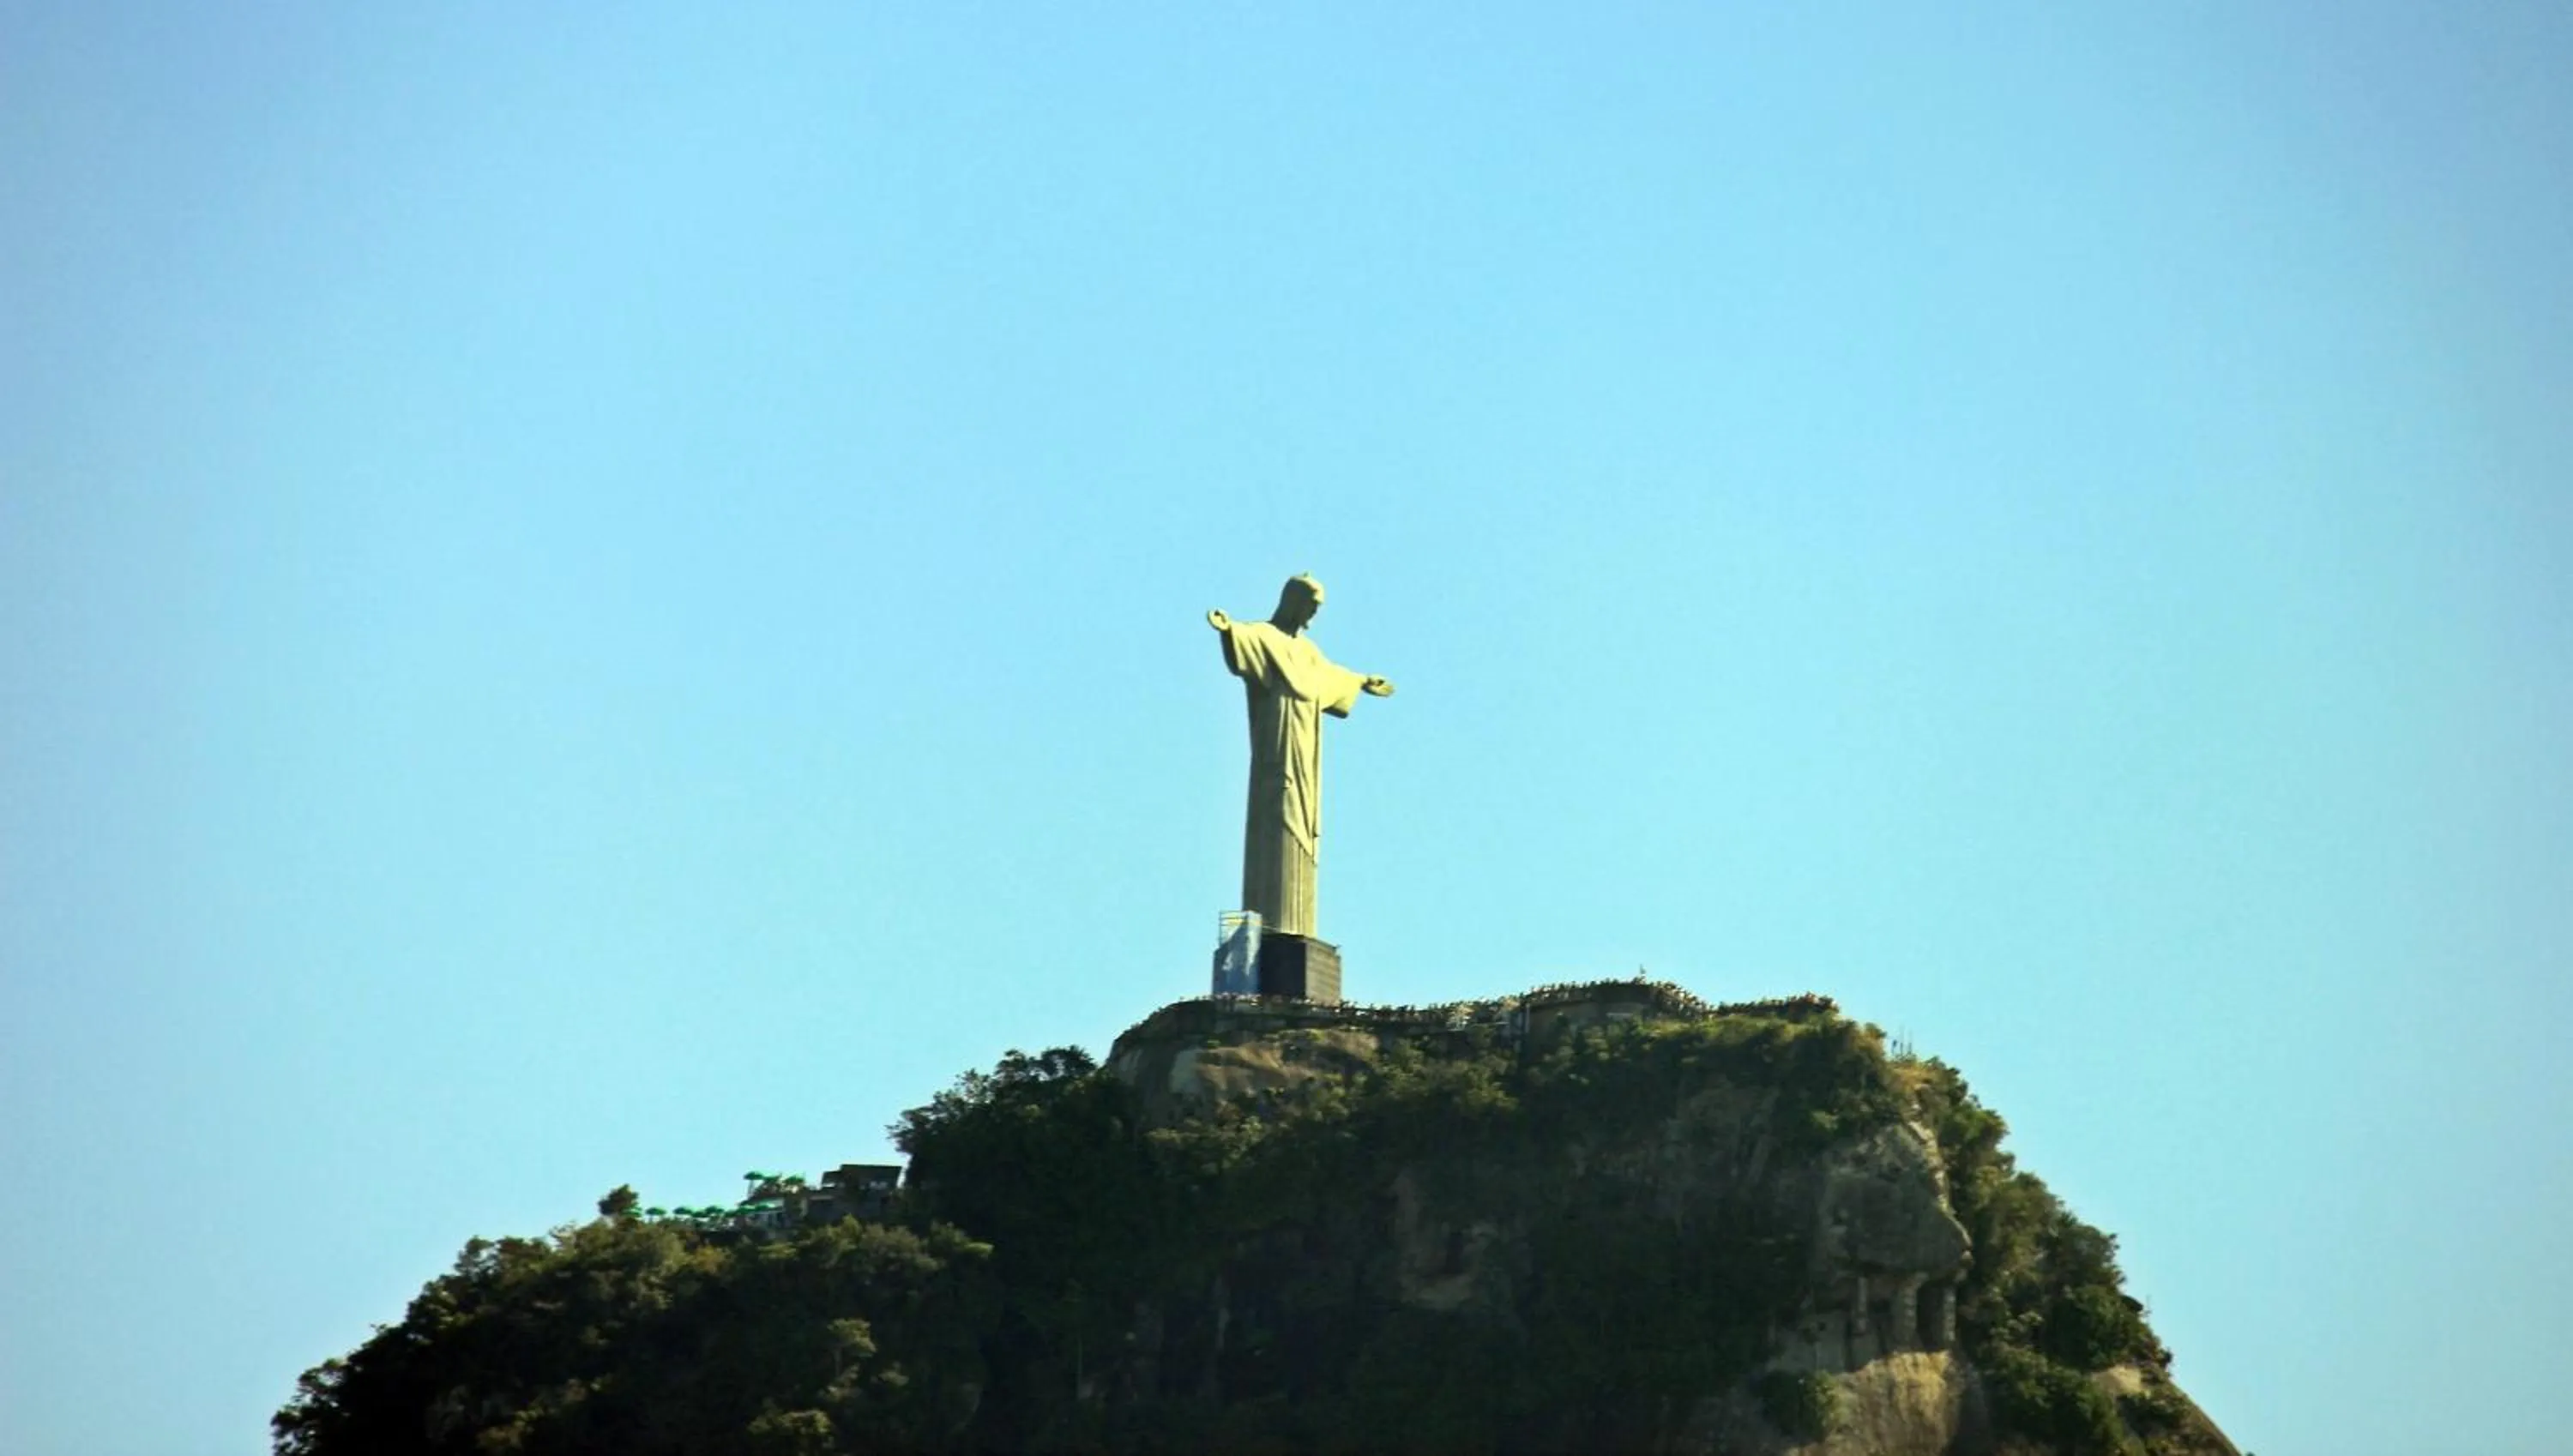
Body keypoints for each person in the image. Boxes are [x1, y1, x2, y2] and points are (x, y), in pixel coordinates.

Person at [1207, 575, 1394, 938]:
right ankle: (1274, 925)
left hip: (1307, 748)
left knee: (1304, 818)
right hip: (1277, 746)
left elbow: (1329, 676)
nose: (1313, 613)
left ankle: (1297, 923)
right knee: (1278, 809)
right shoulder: (1265, 636)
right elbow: (1244, 639)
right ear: (1293, 601)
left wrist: (1362, 681)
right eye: (1311, 604)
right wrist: (1226, 630)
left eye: (1318, 607)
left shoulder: (1308, 653)